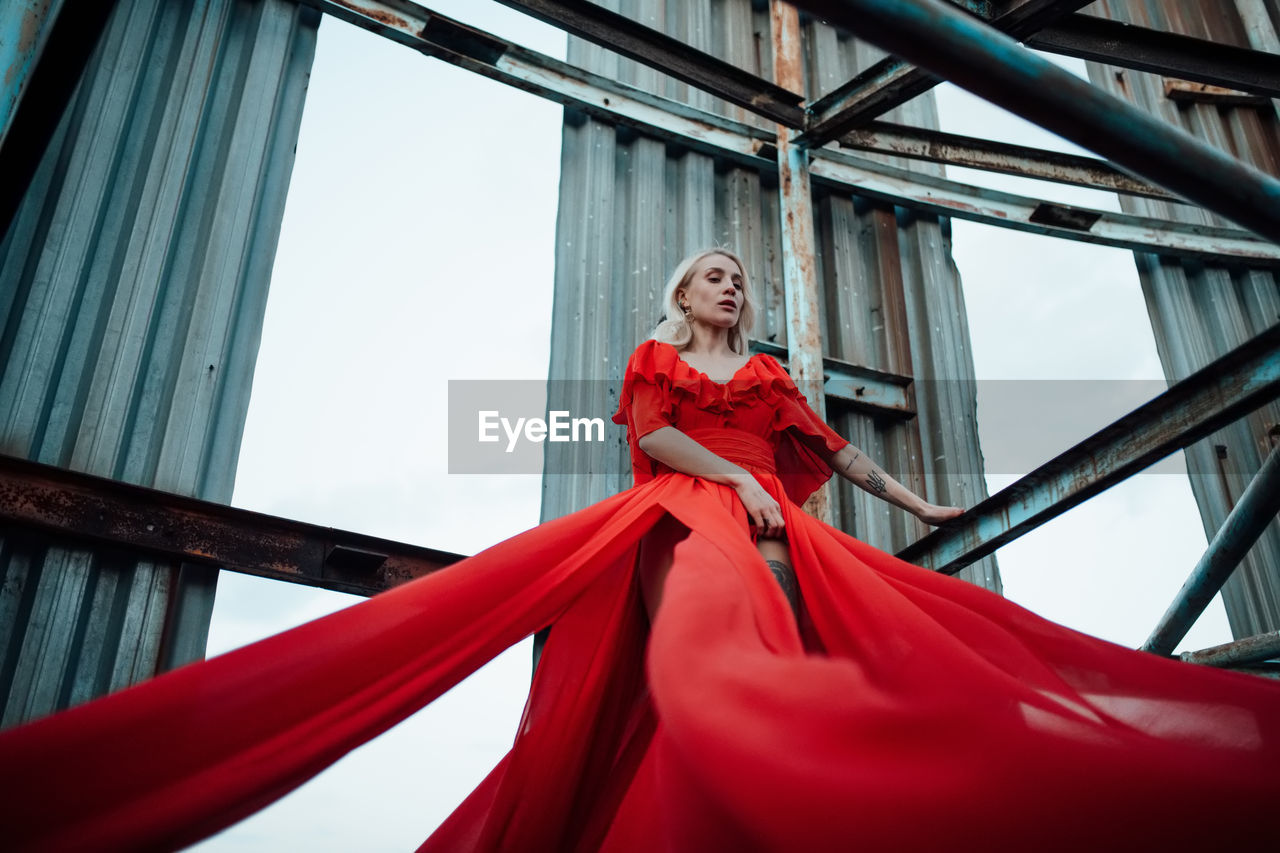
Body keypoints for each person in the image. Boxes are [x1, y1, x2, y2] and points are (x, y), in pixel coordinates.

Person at [1, 249, 1279, 851]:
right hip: (685, 518)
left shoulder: (770, 372)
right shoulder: (659, 359)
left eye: (739, 281)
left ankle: (822, 768)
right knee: (715, 633)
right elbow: (657, 446)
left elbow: (835, 459)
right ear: (681, 293)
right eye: (716, 276)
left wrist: (928, 511)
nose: (733, 287)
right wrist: (742, 483)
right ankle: (771, 747)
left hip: (787, 530)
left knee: (864, 629)